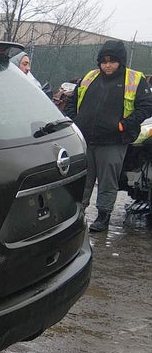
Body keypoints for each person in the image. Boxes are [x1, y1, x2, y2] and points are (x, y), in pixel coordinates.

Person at [65, 39, 152, 232]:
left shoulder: (135, 79)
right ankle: (77, 215)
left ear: (120, 61)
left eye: (112, 61)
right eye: (104, 61)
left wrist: (123, 125)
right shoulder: (90, 77)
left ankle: (103, 216)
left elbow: (146, 107)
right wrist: (76, 122)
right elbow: (72, 101)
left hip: (113, 141)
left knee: (107, 181)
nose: (108, 65)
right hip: (86, 140)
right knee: (83, 181)